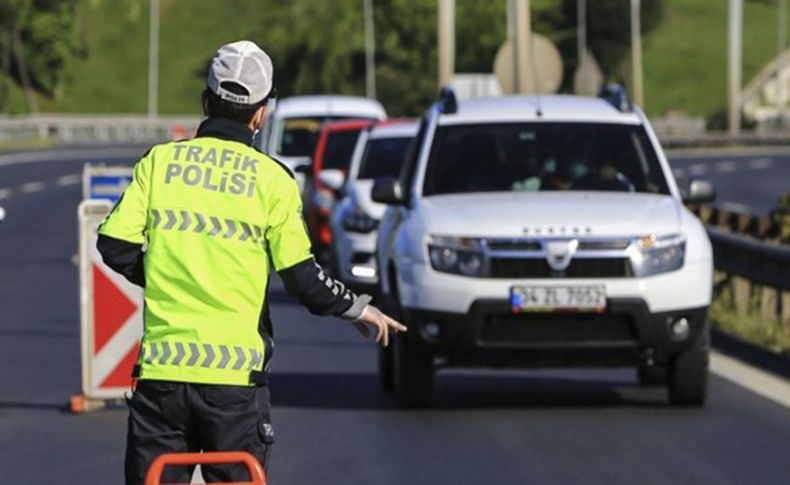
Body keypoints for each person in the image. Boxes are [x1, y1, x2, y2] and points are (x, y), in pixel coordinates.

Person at [96, 40, 406, 484]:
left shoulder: (159, 163)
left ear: (206, 101)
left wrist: (166, 273)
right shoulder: (273, 181)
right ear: (262, 113)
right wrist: (357, 307)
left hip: (161, 382)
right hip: (234, 388)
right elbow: (303, 279)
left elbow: (114, 245)